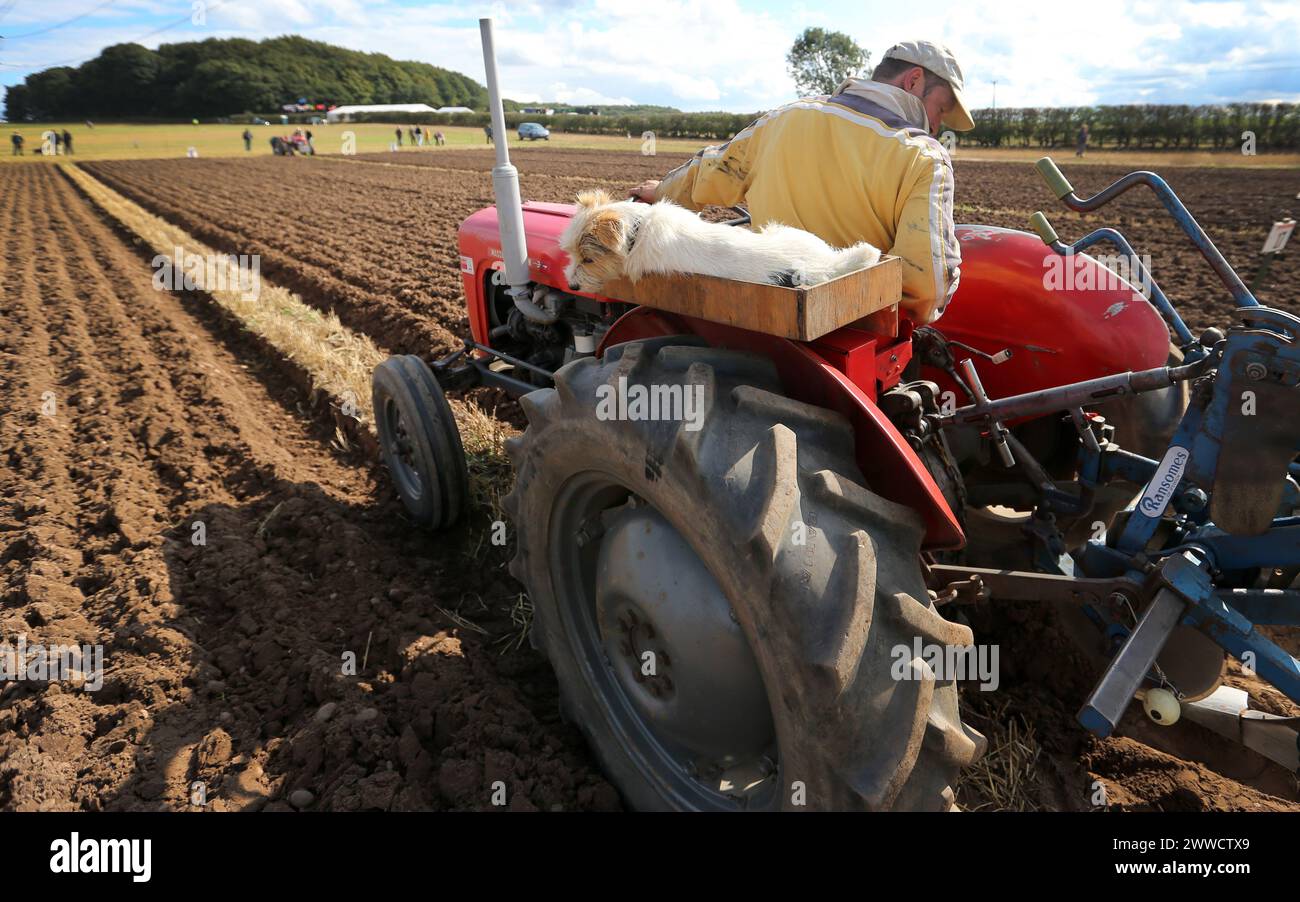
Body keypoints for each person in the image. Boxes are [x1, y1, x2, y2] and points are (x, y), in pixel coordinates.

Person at [632, 40, 972, 325]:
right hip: (851, 329)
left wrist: (662, 193)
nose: (935, 126)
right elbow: (925, 286)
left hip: (762, 311)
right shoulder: (923, 156)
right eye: (940, 109)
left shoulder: (786, 117)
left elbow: (710, 172)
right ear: (913, 81)